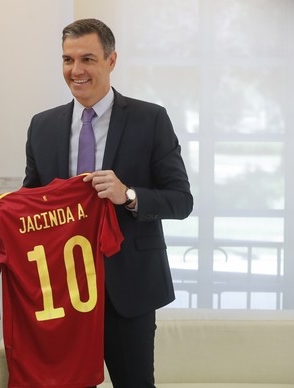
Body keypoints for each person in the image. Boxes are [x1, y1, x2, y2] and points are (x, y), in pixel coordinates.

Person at [23, 19, 193, 387]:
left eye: (88, 58)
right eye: (68, 60)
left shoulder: (150, 120)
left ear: (111, 60)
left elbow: (181, 200)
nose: (76, 70)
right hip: (62, 292)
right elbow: (32, 203)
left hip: (128, 290)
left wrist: (128, 195)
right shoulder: (42, 126)